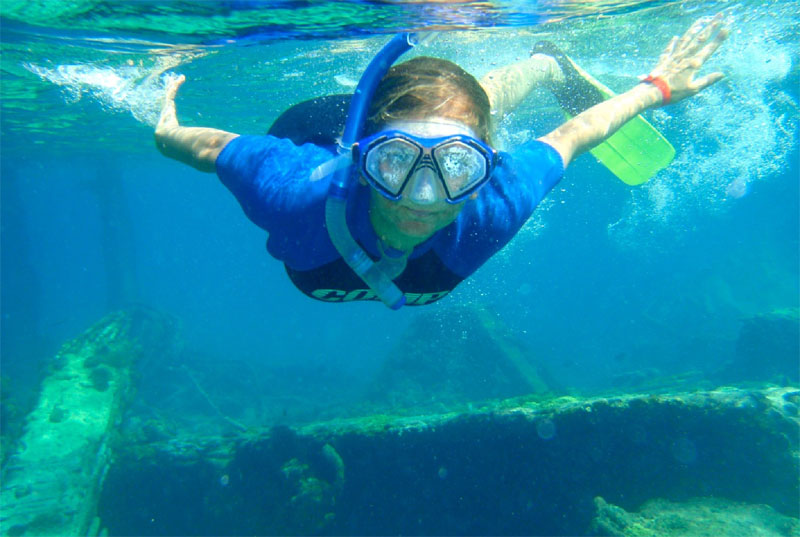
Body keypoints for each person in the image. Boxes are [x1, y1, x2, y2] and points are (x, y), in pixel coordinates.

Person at [155, 15, 728, 309]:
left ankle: (541, 66)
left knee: (464, 107)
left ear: (488, 168)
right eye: (394, 164)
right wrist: (166, 130)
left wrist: (657, 87)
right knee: (439, 122)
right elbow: (207, 148)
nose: (422, 198)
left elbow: (575, 133)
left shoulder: (493, 204)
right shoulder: (293, 191)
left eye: (459, 169)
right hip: (321, 125)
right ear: (362, 160)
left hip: (425, 123)